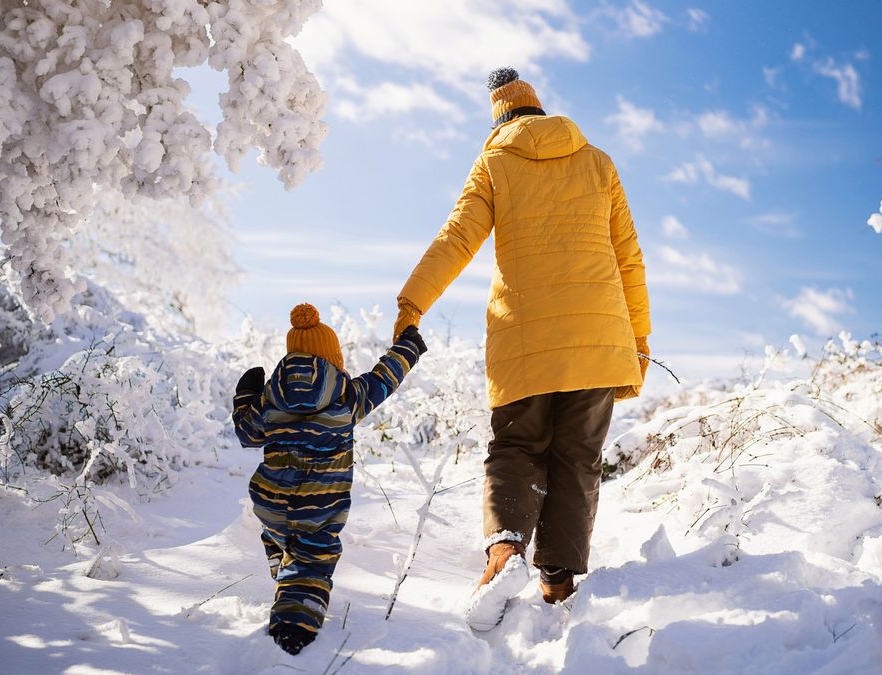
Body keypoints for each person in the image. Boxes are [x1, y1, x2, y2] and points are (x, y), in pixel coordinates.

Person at [392, 68, 651, 630]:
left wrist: (412, 303)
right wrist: (640, 342)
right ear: (537, 108)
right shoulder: (598, 162)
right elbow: (628, 257)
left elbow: (456, 237)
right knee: (576, 458)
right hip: (599, 340)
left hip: (523, 339)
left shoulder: (494, 163)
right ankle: (557, 580)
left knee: (516, 448)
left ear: (500, 117)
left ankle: (505, 548)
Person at [233, 303, 427, 654]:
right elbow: (386, 377)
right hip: (317, 506)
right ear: (333, 358)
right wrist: (409, 346)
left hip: (270, 500)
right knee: (312, 557)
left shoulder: (269, 399)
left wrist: (245, 395)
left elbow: (246, 434)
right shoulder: (347, 397)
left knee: (280, 536)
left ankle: (287, 574)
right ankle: (294, 626)